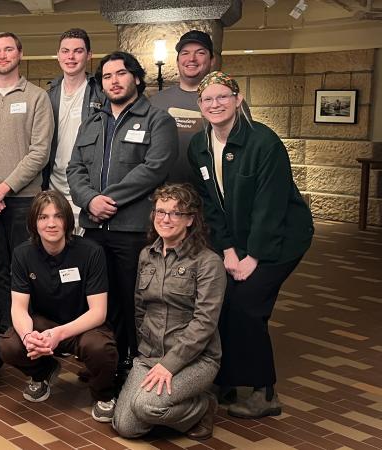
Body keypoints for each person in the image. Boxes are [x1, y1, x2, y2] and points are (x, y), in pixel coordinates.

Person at [187, 71, 313, 419]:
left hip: (281, 239)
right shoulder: (199, 146)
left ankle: (264, 394)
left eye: (222, 97)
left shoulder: (263, 142)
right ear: (199, 106)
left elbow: (269, 208)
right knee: (223, 301)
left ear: (238, 100)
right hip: (237, 241)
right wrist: (228, 250)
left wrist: (253, 257)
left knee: (247, 306)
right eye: (207, 99)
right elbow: (210, 205)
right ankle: (225, 382)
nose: (215, 104)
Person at [66, 51, 177, 372]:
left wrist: (106, 200)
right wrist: (89, 201)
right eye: (107, 76)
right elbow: (75, 169)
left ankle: (133, 363)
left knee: (134, 301)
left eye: (121, 74)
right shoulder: (92, 123)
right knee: (97, 300)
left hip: (132, 230)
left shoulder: (158, 120)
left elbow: (154, 169)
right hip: (94, 232)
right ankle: (105, 363)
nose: (114, 81)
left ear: (137, 78)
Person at [112, 183, 226, 441]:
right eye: (160, 211)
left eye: (175, 213)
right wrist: (145, 352)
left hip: (195, 360)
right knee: (125, 426)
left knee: (146, 406)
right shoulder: (146, 255)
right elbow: (140, 308)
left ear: (190, 220)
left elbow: (205, 323)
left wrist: (170, 364)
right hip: (150, 355)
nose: (166, 219)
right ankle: (169, 410)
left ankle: (203, 406)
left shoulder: (208, 262)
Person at [0, 190, 118, 420]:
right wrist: (28, 337)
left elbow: (98, 312)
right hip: (44, 325)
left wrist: (59, 333)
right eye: (43, 217)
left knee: (100, 348)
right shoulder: (23, 254)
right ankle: (43, 372)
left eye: (58, 216)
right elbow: (19, 308)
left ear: (67, 221)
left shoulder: (91, 252)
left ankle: (104, 394)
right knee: (9, 346)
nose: (51, 223)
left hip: (84, 326)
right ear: (34, 222)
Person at [0, 32, 52, 331]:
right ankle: (5, 329)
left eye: (8, 50)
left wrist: (4, 188)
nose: (2, 55)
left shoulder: (37, 97)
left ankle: (32, 328)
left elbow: (39, 152)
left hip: (24, 200)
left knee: (30, 266)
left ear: (20, 53)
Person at [149, 31, 248, 184]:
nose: (191, 59)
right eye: (185, 53)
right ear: (177, 61)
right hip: (166, 197)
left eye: (200, 53)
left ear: (212, 60)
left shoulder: (230, 102)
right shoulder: (156, 102)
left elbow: (246, 150)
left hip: (214, 195)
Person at [42, 28, 105, 236]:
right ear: (58, 55)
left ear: (89, 55)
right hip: (53, 187)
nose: (71, 57)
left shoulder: (101, 95)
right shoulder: (47, 96)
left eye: (78, 51)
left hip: (87, 190)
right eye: (65, 51)